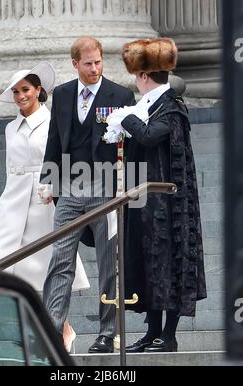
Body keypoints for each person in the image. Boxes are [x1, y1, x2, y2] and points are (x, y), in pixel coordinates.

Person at [0, 61, 90, 356]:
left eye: (25, 90)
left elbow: (62, 157)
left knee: (47, 268)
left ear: (38, 90)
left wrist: (54, 186)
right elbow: (9, 169)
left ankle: (65, 329)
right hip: (12, 200)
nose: (20, 96)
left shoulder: (53, 120)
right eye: (16, 91)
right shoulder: (9, 128)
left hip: (43, 200)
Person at [105, 38, 207, 353]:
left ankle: (169, 334)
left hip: (168, 205)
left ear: (145, 76)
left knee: (169, 263)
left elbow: (151, 137)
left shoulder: (171, 106)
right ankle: (152, 332)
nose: (135, 81)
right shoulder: (150, 107)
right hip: (145, 202)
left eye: (136, 75)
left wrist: (126, 119)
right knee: (147, 263)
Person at [40, 36, 136, 353]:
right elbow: (55, 138)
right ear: (75, 64)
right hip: (70, 187)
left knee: (109, 263)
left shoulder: (120, 94)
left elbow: (132, 147)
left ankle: (108, 333)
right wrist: (47, 179)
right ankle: (52, 331)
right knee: (60, 260)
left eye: (98, 62)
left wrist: (129, 190)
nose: (95, 68)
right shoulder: (64, 95)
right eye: (88, 63)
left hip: (106, 187)